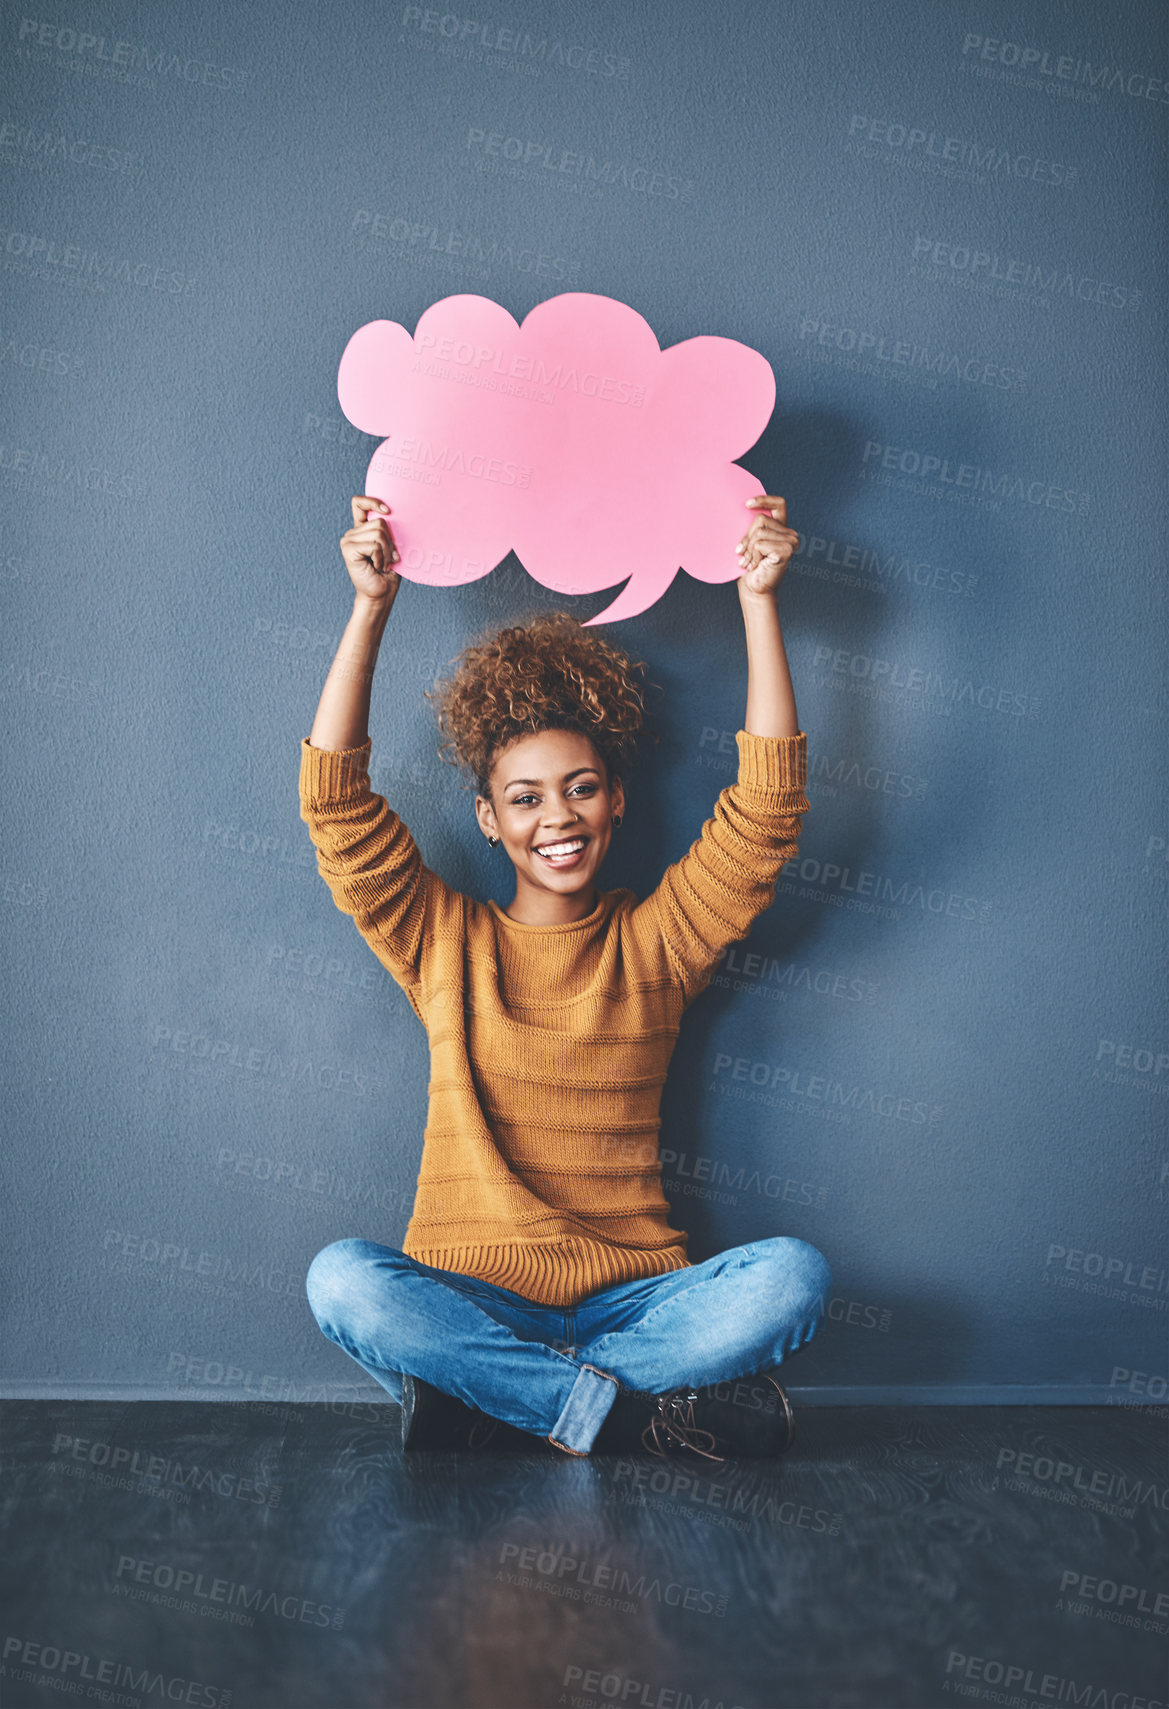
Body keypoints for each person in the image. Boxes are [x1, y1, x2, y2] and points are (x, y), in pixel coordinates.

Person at [300, 493, 833, 1461]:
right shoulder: (439, 940)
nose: (558, 815)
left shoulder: (657, 941)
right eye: (525, 797)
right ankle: (619, 1418)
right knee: (342, 1278)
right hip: (466, 1297)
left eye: (580, 787)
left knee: (791, 1275)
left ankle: (504, 1408)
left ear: (615, 800)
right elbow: (335, 809)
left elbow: (766, 811)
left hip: (634, 1301)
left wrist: (759, 600)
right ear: (487, 818)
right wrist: (370, 607)